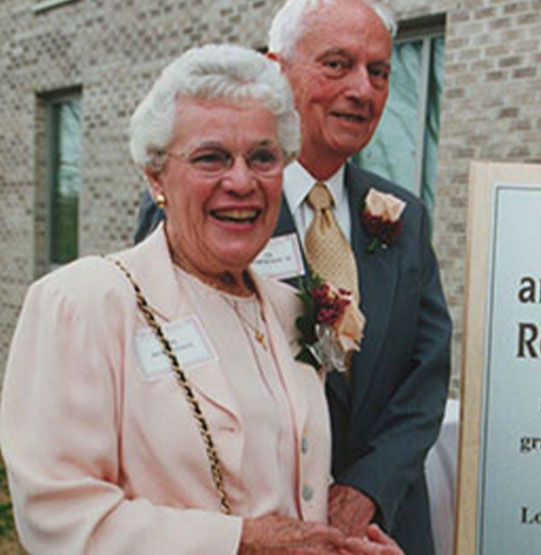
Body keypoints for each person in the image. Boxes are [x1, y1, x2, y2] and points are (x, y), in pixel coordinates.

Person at [0, 44, 401, 554]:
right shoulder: (84, 304)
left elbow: (293, 487)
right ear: (155, 176)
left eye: (262, 157)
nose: (241, 182)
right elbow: (58, 517)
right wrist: (240, 542)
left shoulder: (290, 308)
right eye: (211, 158)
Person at [135, 1, 452, 553]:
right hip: (254, 528)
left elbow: (426, 378)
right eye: (337, 64)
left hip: (384, 528)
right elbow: (164, 368)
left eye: (379, 71)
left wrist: (365, 490)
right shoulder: (213, 202)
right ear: (278, 69)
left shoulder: (402, 214)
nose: (363, 89)